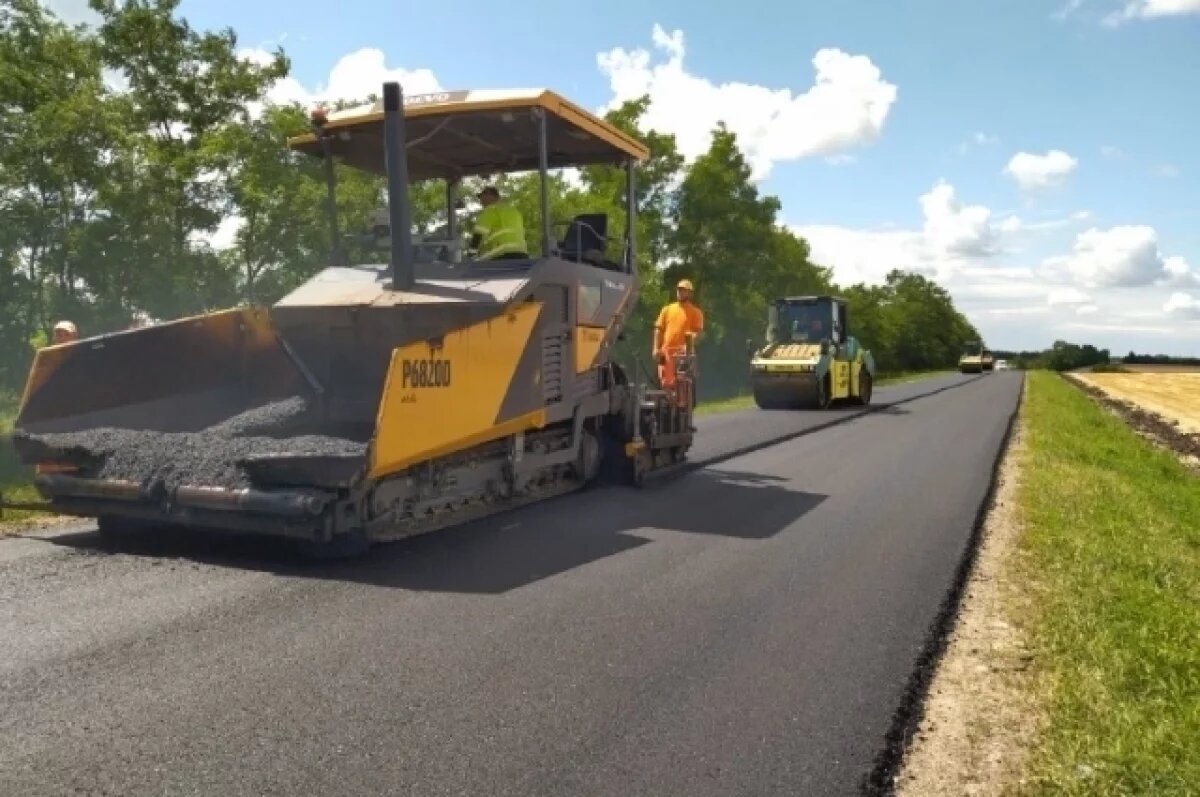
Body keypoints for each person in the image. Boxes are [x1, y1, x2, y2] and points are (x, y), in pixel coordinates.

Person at [652, 278, 704, 395]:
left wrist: (688, 345)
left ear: (690, 293)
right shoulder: (667, 309)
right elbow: (658, 330)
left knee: (683, 383)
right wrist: (655, 348)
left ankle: (683, 409)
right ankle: (668, 408)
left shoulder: (696, 312)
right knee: (666, 384)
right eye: (679, 290)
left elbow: (698, 333)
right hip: (667, 353)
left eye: (683, 290)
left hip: (684, 354)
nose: (680, 292)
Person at [469, 186, 528, 260]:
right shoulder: (514, 212)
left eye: (481, 197)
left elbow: (479, 234)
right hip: (522, 255)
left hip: (501, 257)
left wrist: (471, 254)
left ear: (489, 196)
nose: (480, 201)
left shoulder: (490, 210)